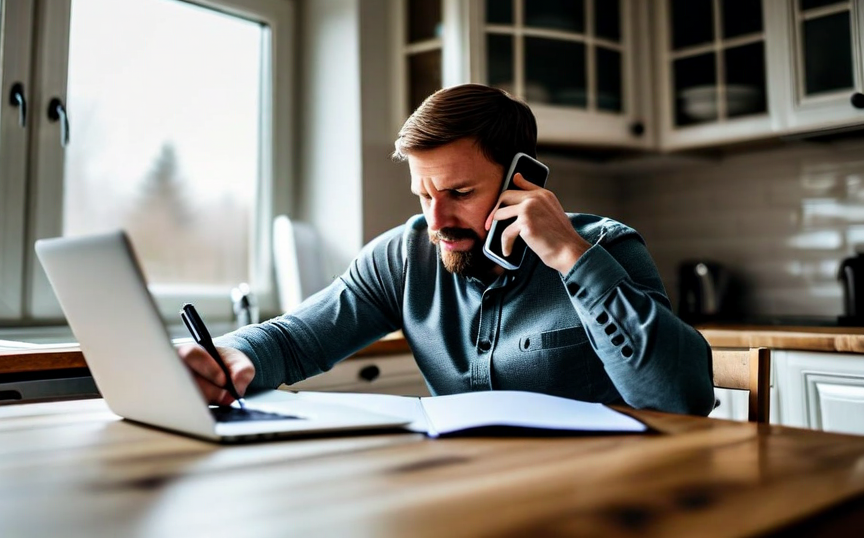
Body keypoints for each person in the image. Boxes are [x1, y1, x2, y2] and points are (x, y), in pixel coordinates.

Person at [179, 83, 715, 416]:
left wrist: (572, 258)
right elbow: (296, 339)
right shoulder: (405, 255)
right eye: (423, 194)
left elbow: (678, 399)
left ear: (521, 179)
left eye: (459, 194)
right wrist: (235, 354)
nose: (436, 221)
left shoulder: (606, 247)